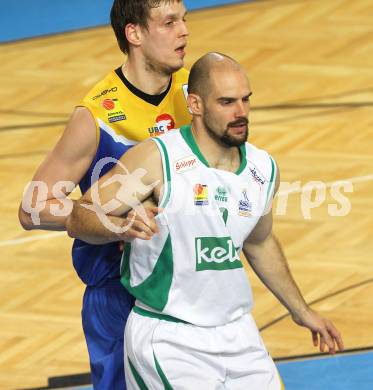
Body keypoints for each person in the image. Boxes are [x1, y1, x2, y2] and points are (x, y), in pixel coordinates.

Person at [66, 52, 344, 389]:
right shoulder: (158, 158)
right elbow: (80, 216)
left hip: (238, 332)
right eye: (227, 102)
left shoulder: (263, 169)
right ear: (195, 104)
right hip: (169, 337)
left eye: (245, 99)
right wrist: (119, 226)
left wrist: (301, 310)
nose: (240, 112)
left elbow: (259, 241)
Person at [18, 0, 190, 388]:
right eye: (169, 22)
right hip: (120, 297)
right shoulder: (95, 115)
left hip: (188, 286)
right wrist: (107, 219)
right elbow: (32, 209)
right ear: (135, 34)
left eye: (184, 20)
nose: (184, 31)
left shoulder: (196, 95)